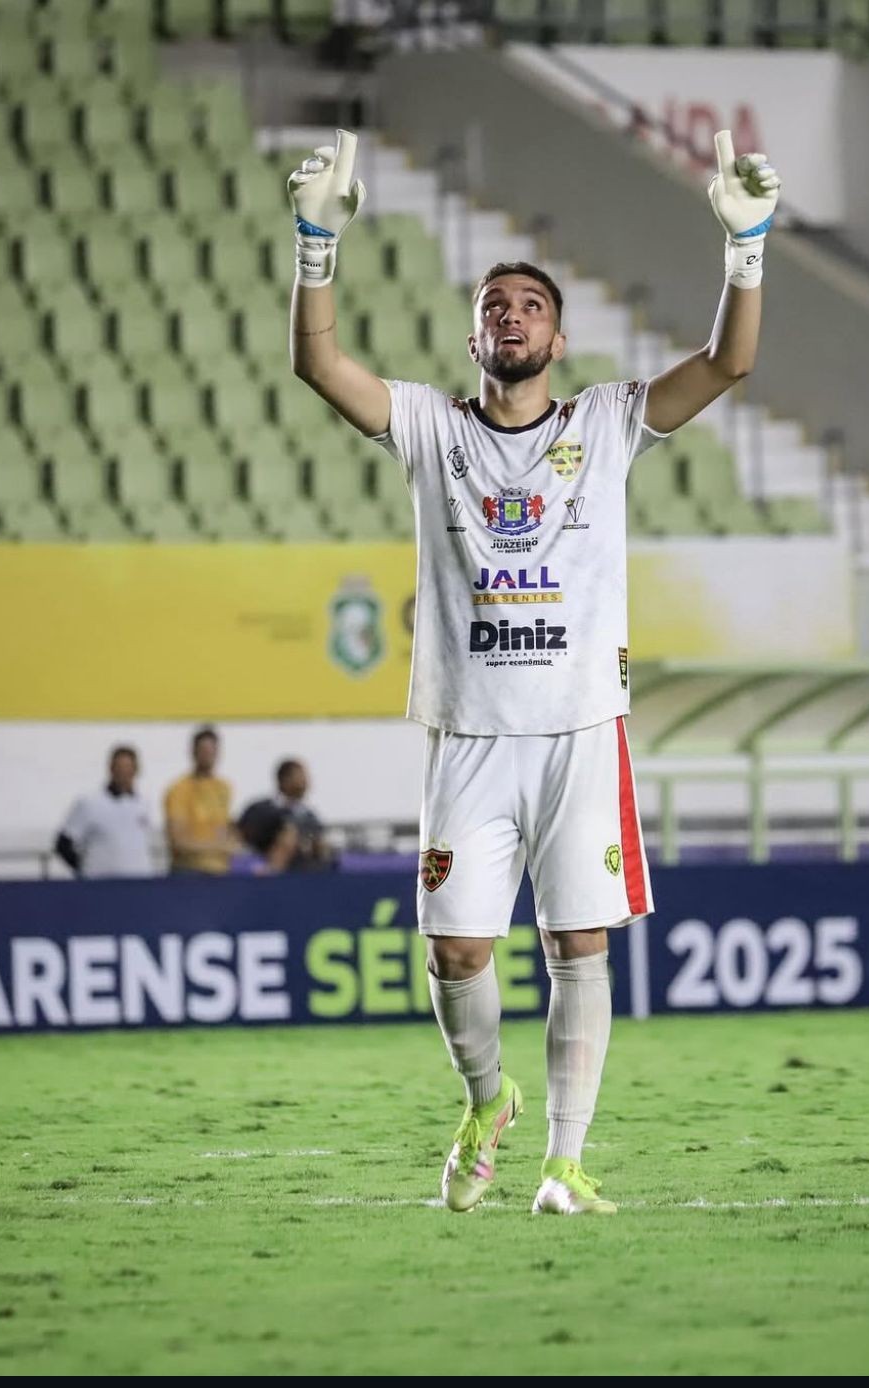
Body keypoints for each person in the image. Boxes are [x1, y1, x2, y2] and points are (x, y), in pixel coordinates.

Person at [288, 128, 779, 1214]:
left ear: (558, 338)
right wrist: (315, 240)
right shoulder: (427, 425)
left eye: (530, 304)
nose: (509, 313)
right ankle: (483, 1098)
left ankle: (564, 1160)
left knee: (578, 940)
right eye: (493, 303)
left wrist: (746, 251)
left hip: (576, 728)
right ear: (474, 335)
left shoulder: (606, 423)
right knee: (458, 951)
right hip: (467, 732)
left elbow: (729, 364)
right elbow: (318, 364)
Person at [53, 745, 155, 879]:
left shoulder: (143, 803)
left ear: (136, 770)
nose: (123, 772)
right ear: (111, 769)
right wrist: (85, 870)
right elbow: (63, 844)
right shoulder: (89, 802)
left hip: (139, 883)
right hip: (102, 885)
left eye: (128, 767)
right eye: (119, 767)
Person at [238, 758, 336, 872]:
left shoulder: (310, 816)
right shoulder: (260, 809)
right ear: (284, 779)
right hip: (262, 866)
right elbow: (243, 837)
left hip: (302, 872)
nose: (306, 782)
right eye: (301, 776)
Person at [163, 726, 233, 875]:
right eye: (203, 750)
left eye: (211, 751)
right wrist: (218, 847)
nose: (207, 755)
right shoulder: (179, 789)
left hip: (219, 871)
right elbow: (177, 841)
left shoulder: (223, 787)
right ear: (193, 752)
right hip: (190, 871)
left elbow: (223, 829)